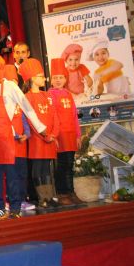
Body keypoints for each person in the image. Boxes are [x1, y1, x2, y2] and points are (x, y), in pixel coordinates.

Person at [0, 55, 48, 220]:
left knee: (12, 177)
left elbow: (26, 107)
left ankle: (16, 208)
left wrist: (40, 128)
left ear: (1, 76)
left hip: (7, 139)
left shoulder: (10, 87)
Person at [20, 58, 60, 209]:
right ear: (32, 78)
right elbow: (31, 121)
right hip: (38, 140)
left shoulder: (47, 95)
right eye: (41, 75)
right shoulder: (26, 97)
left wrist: (53, 134)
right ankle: (41, 197)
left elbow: (55, 116)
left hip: (49, 137)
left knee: (47, 167)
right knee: (38, 168)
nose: (44, 78)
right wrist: (44, 135)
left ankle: (50, 196)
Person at [49, 58, 83, 205]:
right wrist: (54, 134)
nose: (58, 80)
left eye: (60, 77)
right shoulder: (49, 94)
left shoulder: (68, 94)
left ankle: (70, 192)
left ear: (65, 79)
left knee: (70, 163)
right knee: (62, 164)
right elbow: (50, 117)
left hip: (70, 134)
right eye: (55, 78)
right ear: (51, 80)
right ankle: (64, 193)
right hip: (59, 135)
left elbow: (74, 115)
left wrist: (78, 135)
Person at [4, 65, 34, 212]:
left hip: (21, 144)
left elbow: (25, 120)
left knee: (22, 173)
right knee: (12, 174)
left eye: (15, 82)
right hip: (10, 145)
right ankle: (12, 199)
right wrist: (15, 136)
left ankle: (22, 199)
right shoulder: (3, 103)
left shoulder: (20, 102)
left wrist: (26, 134)